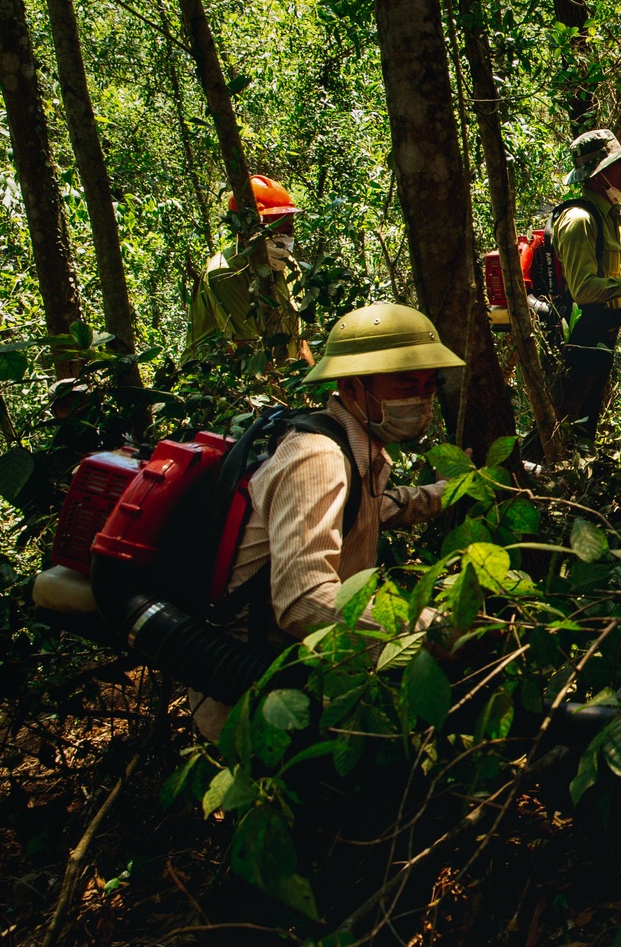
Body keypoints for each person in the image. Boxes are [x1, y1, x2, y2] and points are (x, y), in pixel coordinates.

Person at [187, 301, 462, 739]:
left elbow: (373, 510)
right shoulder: (319, 457)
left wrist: (445, 492)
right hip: (258, 696)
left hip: (306, 675)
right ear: (352, 386)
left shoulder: (352, 449)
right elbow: (303, 600)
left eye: (428, 384)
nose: (421, 398)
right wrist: (434, 631)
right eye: (405, 383)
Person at [548, 128, 621, 445]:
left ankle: (583, 467)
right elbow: (584, 290)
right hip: (575, 339)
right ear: (599, 173)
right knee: (564, 425)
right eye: (619, 165)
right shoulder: (579, 220)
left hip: (605, 332)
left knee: (586, 424)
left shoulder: (614, 216)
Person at [187, 175, 314, 363]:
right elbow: (247, 355)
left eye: (288, 231)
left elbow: (300, 343)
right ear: (246, 232)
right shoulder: (225, 273)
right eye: (276, 231)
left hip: (280, 372)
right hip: (224, 377)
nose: (284, 239)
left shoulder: (288, 266)